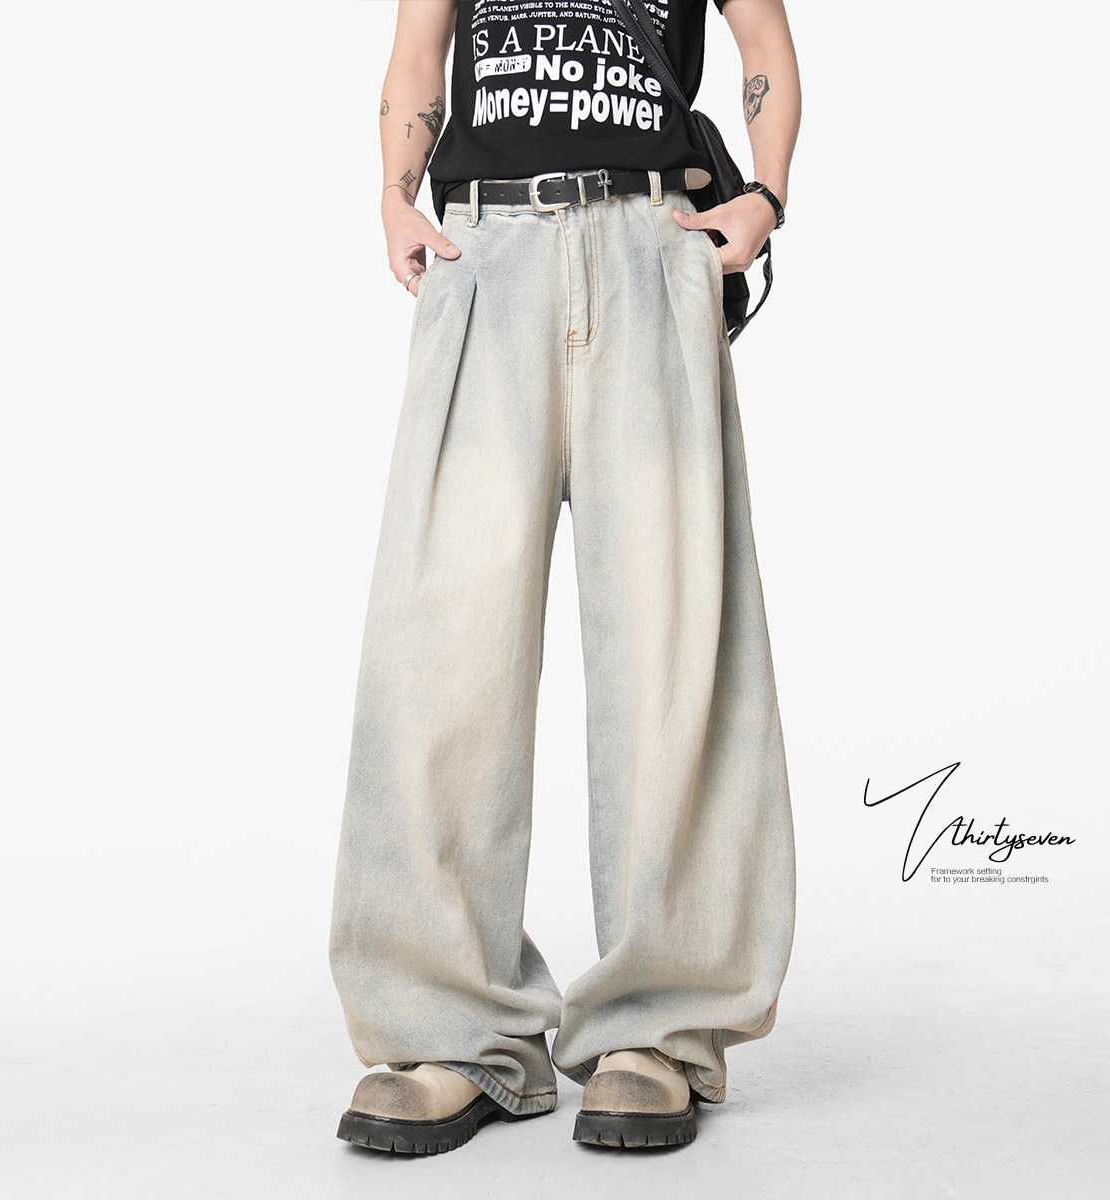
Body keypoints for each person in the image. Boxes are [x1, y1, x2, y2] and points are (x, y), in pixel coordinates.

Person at [329, 0, 800, 1154]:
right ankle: (447, 1031)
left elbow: (767, 47)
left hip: (650, 241)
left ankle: (661, 1028)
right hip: (484, 251)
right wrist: (393, 193)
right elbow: (418, 49)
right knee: (441, 639)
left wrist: (767, 198)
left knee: (674, 638)